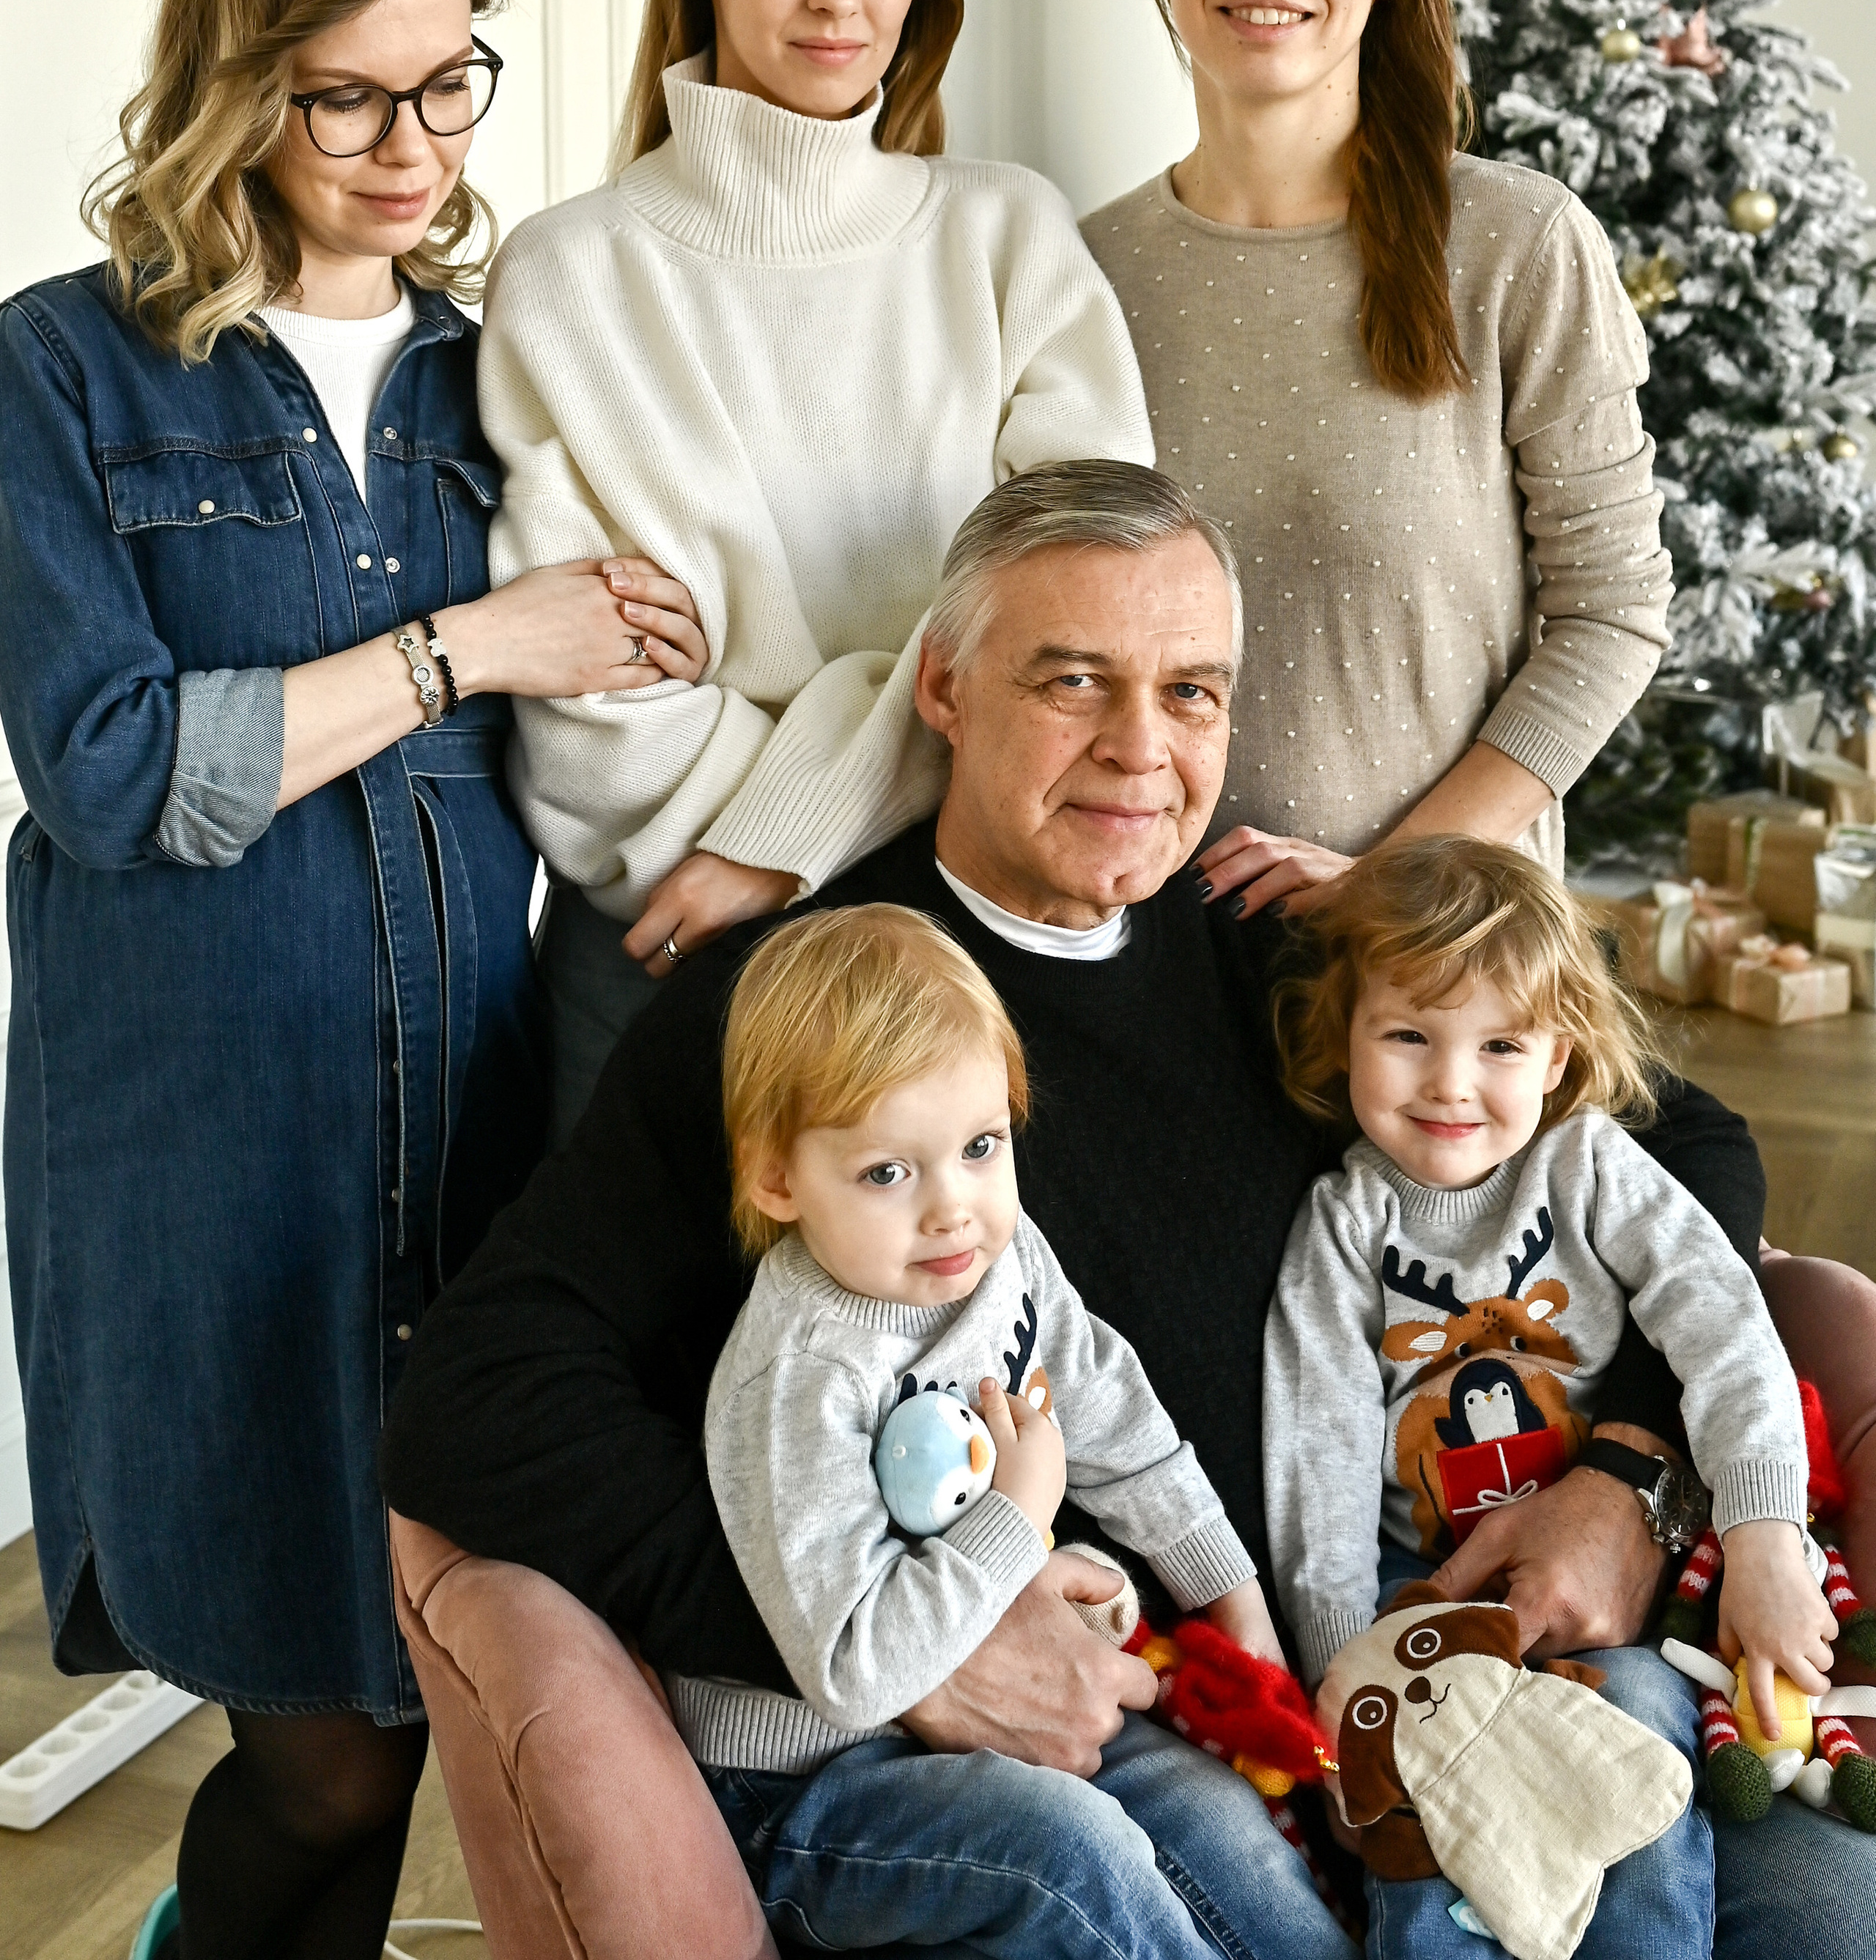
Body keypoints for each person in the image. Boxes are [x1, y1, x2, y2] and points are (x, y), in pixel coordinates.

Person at [380, 463, 1858, 1953]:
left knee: (1829, 1916)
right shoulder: (808, 1009)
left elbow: (1685, 1145)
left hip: (1427, 1640)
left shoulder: (1283, 945)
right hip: (1131, 1737)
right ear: (946, 688)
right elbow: (481, 1392)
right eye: (1073, 682)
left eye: (1192, 693)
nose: (1140, 749)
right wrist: (896, 1649)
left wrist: (1628, 1478)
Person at [0, 0, 706, 1960]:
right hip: (203, 1158)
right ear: (236, 92)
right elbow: (117, 769)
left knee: (440, 1699)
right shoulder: (62, 376)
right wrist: (470, 649)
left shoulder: (505, 378)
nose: (417, 149)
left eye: (453, 84)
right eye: (351, 100)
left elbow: (644, 690)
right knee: (319, 1755)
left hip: (476, 1143)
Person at [478, 0, 1151, 1140]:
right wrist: (908, 702)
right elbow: (593, 717)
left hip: (969, 947)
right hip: (667, 955)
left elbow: (1086, 647)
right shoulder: (574, 274)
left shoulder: (1006, 236)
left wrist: (779, 842)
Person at [1079, 0, 1672, 923]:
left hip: (1439, 963)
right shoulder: (1085, 270)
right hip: (1161, 954)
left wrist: (1388, 878)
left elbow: (1613, 614)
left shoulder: (1514, 243)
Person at [689, 901, 1340, 1960]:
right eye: (887, 1173)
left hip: (973, 1735)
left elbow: (1112, 1408)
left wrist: (1232, 1596)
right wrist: (1016, 1514)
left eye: (982, 1146)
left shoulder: (1001, 1257)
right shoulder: (801, 1373)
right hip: (814, 1789)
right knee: (1070, 1850)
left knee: (1211, 1809)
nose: (954, 1210)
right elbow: (857, 1670)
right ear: (777, 1178)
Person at [1264, 837, 1833, 1957]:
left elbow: (1726, 1328)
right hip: (1422, 1601)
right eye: (1409, 1037)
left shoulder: (1591, 1166)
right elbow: (1316, 1453)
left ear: (1558, 1050)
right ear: (1347, 1039)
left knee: (1629, 1765)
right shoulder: (1342, 1227)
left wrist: (1767, 1537)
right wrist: (1345, 1664)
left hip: (1609, 1602)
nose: (1451, 1083)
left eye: (1500, 1044)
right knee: (1428, 1829)